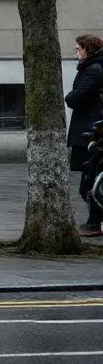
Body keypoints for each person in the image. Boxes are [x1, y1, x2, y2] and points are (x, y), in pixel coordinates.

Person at [67, 34, 103, 236]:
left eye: (78, 48)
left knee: (89, 178)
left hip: (90, 131)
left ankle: (94, 223)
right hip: (89, 129)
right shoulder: (92, 68)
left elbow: (76, 97)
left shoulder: (94, 70)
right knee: (89, 177)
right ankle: (94, 221)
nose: (76, 52)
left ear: (88, 49)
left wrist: (68, 97)